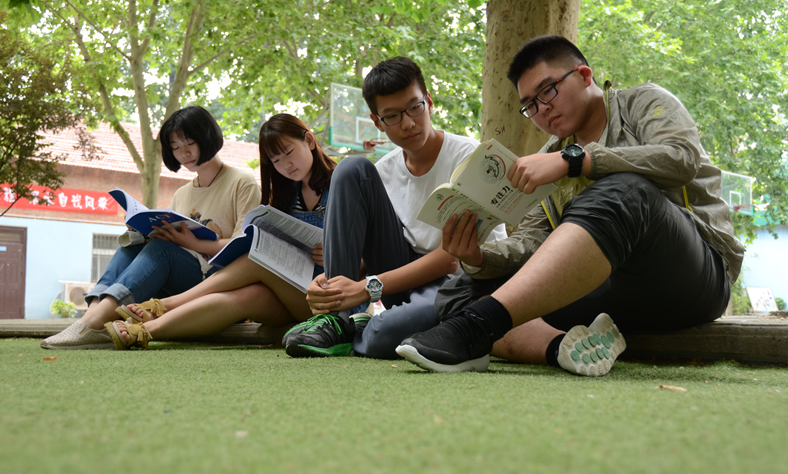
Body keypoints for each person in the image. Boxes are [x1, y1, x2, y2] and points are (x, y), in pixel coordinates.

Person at [396, 35, 745, 375]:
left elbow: (681, 158)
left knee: (626, 189)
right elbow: (531, 242)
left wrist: (577, 160)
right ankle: (565, 349)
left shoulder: (641, 103)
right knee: (458, 291)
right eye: (530, 105)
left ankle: (476, 328)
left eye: (548, 90)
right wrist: (478, 257)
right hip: (609, 293)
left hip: (690, 279)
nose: (542, 109)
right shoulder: (550, 156)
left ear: (584, 75)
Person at [283, 56, 506, 359]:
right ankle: (337, 320)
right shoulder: (384, 171)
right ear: (377, 122)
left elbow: (449, 260)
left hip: (463, 281)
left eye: (415, 107)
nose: (408, 123)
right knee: (351, 169)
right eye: (392, 116)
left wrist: (365, 288)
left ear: (429, 102)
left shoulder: (467, 156)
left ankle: (365, 327)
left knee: (382, 334)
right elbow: (379, 250)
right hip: (405, 276)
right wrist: (330, 286)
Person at [71, 114, 338, 350]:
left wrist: (337, 255)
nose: (285, 165)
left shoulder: (341, 184)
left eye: (288, 153)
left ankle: (164, 306)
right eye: (276, 160)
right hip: (287, 293)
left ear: (309, 141)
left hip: (328, 298)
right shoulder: (284, 195)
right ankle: (141, 330)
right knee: (249, 293)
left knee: (255, 257)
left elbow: (363, 258)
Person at [41, 106, 261, 349]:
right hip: (179, 282)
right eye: (175, 147)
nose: (184, 153)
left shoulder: (242, 182)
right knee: (131, 244)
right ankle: (92, 317)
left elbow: (245, 246)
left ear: (207, 137)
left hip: (219, 283)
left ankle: (94, 323)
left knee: (161, 250)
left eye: (189, 143)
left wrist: (194, 244)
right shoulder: (182, 194)